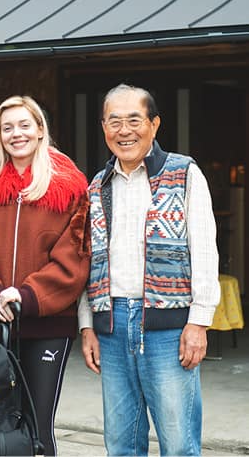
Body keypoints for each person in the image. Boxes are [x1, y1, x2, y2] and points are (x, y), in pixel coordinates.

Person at [78, 83, 221, 456]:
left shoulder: (184, 173)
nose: (124, 131)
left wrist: (199, 321)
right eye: (114, 122)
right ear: (104, 128)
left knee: (177, 443)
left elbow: (205, 250)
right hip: (111, 326)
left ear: (154, 124)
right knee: (121, 443)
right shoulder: (98, 185)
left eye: (134, 120)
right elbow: (88, 258)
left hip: (168, 327)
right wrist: (87, 325)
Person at [0, 95, 90, 456]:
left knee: (38, 425)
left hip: (48, 323)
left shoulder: (69, 185)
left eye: (24, 125)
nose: (16, 134)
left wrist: (26, 294)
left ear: (39, 130)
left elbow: (75, 255)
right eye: (7, 128)